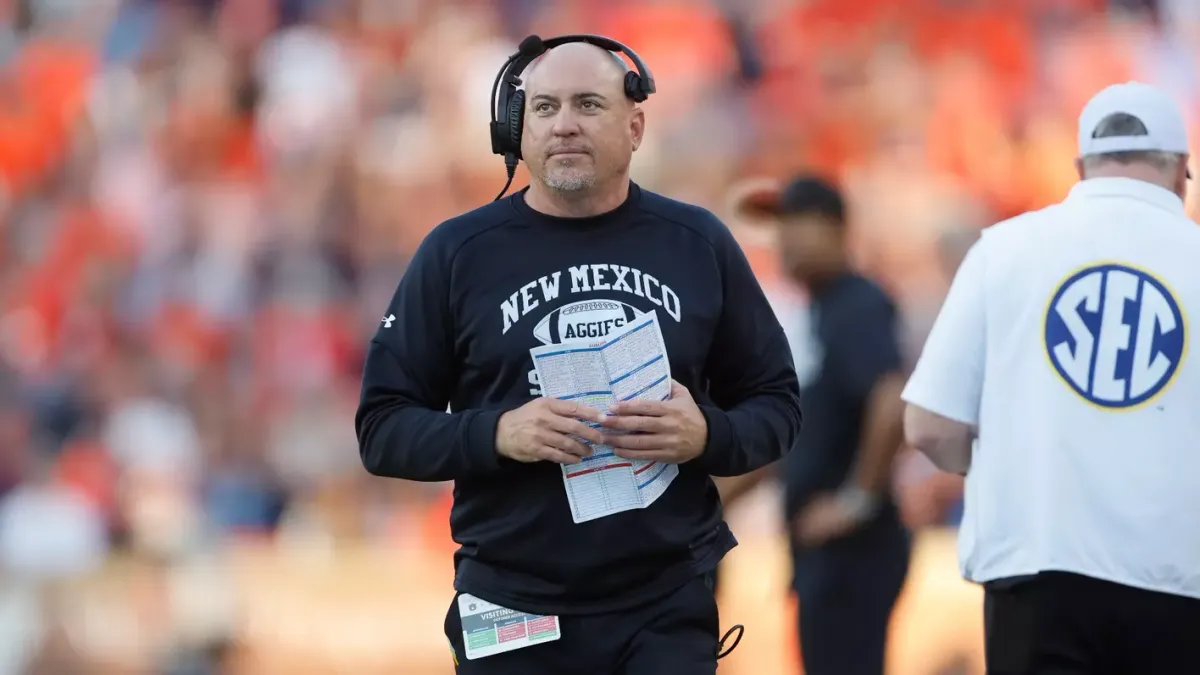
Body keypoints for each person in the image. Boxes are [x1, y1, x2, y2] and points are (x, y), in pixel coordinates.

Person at [354, 37, 802, 675]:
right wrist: (498, 433)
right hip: (509, 598)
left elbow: (779, 405)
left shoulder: (698, 242)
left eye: (588, 104)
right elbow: (382, 430)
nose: (563, 124)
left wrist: (708, 431)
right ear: (515, 129)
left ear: (635, 125)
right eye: (543, 108)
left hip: (663, 597)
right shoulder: (456, 253)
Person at [902, 81, 1200, 674]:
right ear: (1181, 172)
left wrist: (1000, 462)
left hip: (1037, 571)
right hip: (1179, 581)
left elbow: (930, 424)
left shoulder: (1005, 250)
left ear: (1081, 166)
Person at [734, 176, 911, 675]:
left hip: (853, 550)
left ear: (836, 227)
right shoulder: (821, 312)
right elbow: (795, 441)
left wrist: (857, 499)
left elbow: (890, 398)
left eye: (799, 221)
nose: (785, 238)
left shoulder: (855, 303)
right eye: (780, 225)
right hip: (826, 549)